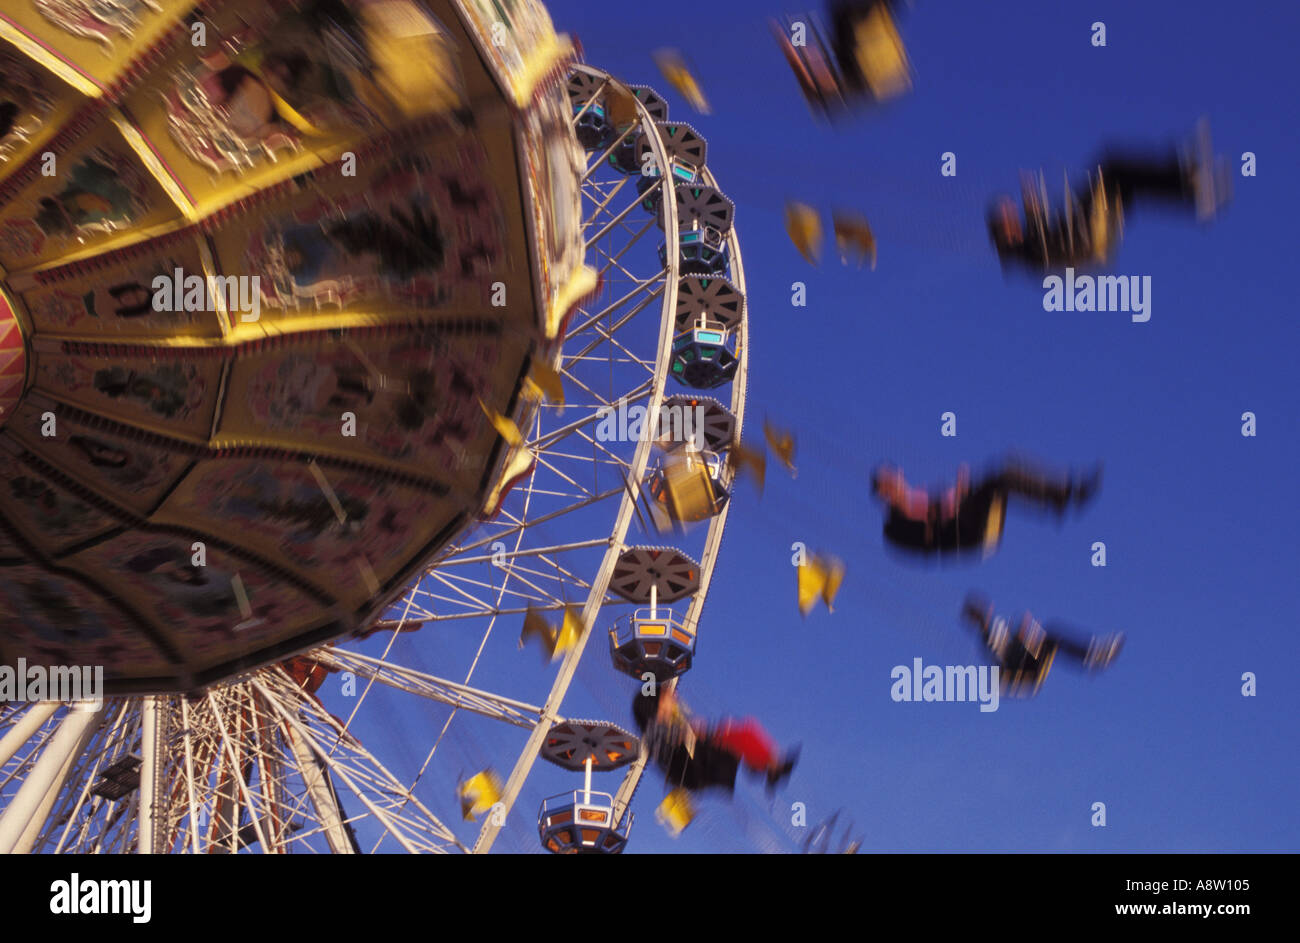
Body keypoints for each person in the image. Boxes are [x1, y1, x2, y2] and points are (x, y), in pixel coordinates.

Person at [989, 120, 1230, 271]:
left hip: (1090, 233)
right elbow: (1041, 246)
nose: (1014, 214)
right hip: (1089, 235)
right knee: (1114, 168)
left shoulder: (1026, 246)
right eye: (1009, 215)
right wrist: (1032, 208)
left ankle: (1190, 186)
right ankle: (1186, 181)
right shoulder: (1023, 249)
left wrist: (1033, 207)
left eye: (1011, 211)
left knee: (1126, 183)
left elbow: (1042, 237)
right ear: (1005, 230)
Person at [871, 457, 1100, 556]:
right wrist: (951, 504)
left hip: (978, 525)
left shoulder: (920, 494)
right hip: (968, 535)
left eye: (896, 477)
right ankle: (1062, 496)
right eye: (890, 483)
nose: (899, 482)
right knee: (999, 478)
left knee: (1008, 469)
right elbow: (927, 542)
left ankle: (1056, 499)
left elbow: (948, 502)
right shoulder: (893, 526)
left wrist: (962, 491)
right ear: (883, 494)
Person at [632, 688, 798, 795]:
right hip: (691, 765)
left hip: (696, 757)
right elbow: (671, 741)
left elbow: (681, 733)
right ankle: (768, 765)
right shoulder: (654, 729)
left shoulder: (664, 724)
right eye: (668, 698)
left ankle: (767, 763)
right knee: (743, 734)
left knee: (746, 730)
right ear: (657, 705)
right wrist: (693, 732)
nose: (674, 699)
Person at [961, 594, 1123, 695]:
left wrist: (1024, 634)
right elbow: (1003, 656)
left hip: (1025, 663)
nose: (987, 611)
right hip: (1022, 669)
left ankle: (1093, 654)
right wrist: (1023, 637)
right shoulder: (987, 637)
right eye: (981, 612)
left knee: (1052, 636)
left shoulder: (997, 627)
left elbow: (1013, 645)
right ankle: (1093, 655)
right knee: (1051, 634)